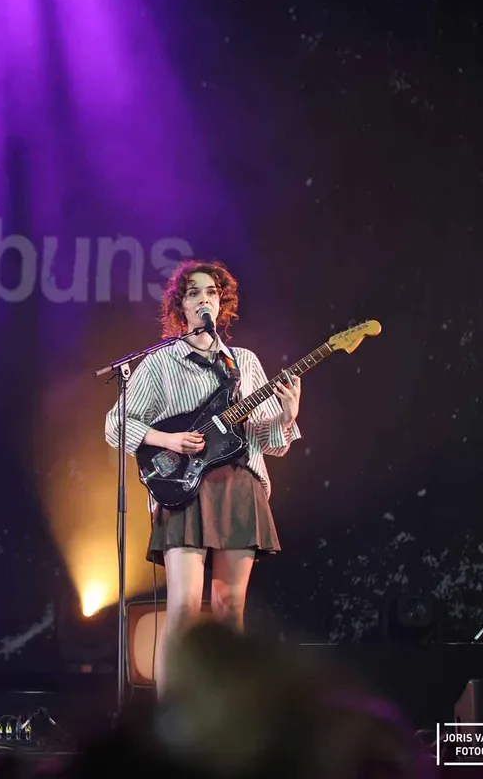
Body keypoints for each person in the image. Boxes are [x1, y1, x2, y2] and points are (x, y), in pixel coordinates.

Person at [104, 259, 301, 692]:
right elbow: (116, 424)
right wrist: (169, 440)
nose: (204, 299)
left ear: (222, 302)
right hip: (184, 489)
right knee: (183, 609)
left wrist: (287, 416)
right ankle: (171, 717)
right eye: (194, 293)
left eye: (211, 292)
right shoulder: (159, 363)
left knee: (231, 610)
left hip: (239, 484)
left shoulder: (242, 362)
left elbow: (272, 442)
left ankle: (229, 717)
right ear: (181, 306)